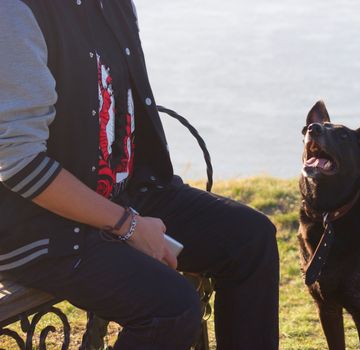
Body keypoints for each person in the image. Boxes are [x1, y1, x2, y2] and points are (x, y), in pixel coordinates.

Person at [0, 1, 279, 349]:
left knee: (250, 238)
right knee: (170, 310)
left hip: (127, 193)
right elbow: (17, 161)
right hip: (40, 226)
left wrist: (131, 211)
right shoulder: (15, 12)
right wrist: (128, 225)